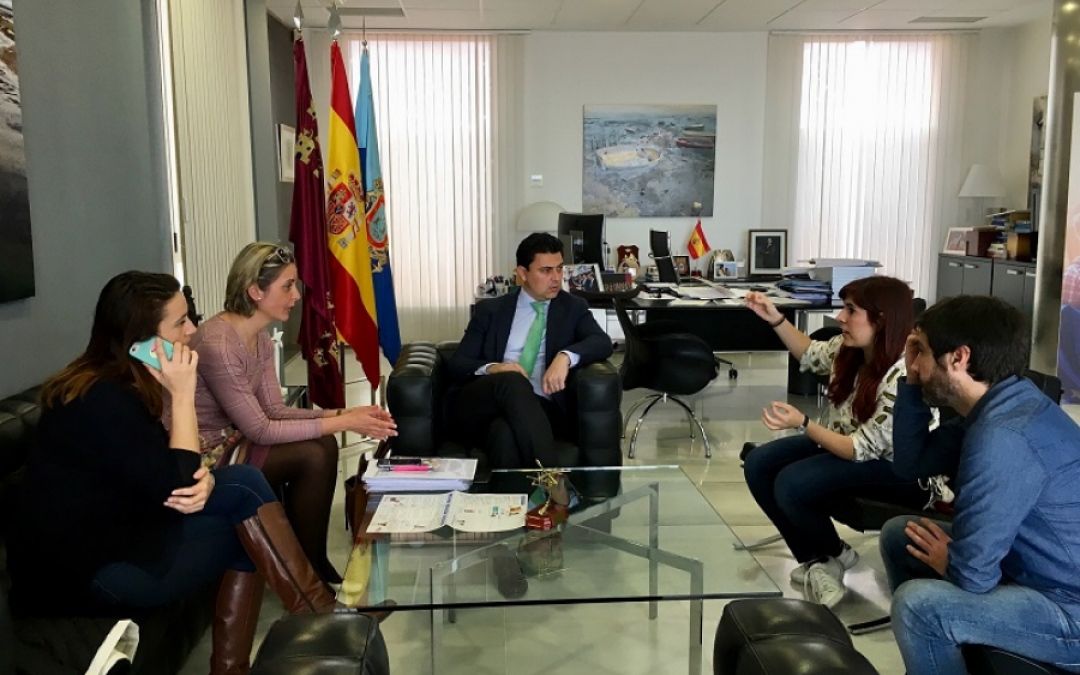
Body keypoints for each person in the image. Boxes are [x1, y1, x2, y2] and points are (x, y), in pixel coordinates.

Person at [6, 271, 349, 675]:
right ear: (142, 343)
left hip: (125, 533)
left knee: (244, 483)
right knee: (247, 527)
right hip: (88, 576)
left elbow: (168, 474)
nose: (191, 331)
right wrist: (183, 395)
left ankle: (314, 615)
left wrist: (204, 479)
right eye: (180, 323)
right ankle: (319, 619)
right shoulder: (102, 401)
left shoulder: (119, 383)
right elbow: (177, 481)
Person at [879, 295, 1080, 675]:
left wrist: (951, 562)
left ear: (959, 358)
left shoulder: (1003, 436)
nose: (914, 365)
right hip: (1039, 570)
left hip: (1069, 609)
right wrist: (911, 383)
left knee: (918, 607)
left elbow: (973, 576)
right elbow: (910, 465)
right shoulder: (1005, 401)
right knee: (901, 535)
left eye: (921, 353)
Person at [178, 242, 397, 585]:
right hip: (203, 455)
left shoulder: (260, 337)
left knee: (323, 445)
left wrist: (344, 412)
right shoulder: (218, 344)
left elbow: (274, 410)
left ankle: (311, 565)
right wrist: (344, 422)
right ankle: (307, 574)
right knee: (314, 452)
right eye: (287, 286)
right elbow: (261, 429)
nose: (296, 296)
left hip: (233, 439)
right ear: (255, 291)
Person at [741, 276, 938, 608]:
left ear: (881, 319)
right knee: (759, 463)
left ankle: (827, 555)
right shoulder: (851, 349)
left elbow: (859, 449)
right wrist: (775, 318)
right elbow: (811, 353)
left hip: (900, 470)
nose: (840, 318)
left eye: (851, 310)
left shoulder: (901, 374)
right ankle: (823, 558)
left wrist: (803, 424)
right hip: (849, 445)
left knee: (792, 483)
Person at [447, 232, 613, 469]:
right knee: (512, 379)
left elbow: (601, 341)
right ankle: (554, 480)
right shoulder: (491, 310)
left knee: (504, 434)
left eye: (559, 269)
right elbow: (458, 364)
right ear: (522, 273)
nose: (556, 278)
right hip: (484, 402)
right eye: (546, 271)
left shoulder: (572, 307)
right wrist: (496, 368)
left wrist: (564, 357)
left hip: (540, 408)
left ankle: (523, 494)